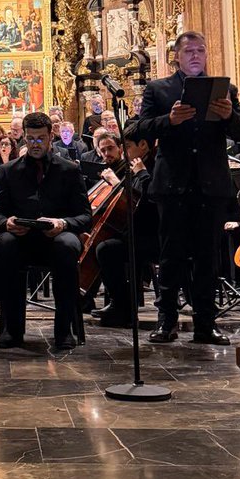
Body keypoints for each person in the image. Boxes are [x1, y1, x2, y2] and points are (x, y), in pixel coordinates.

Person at [137, 30, 240, 345]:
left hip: (210, 184)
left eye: (201, 50)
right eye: (189, 51)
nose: (196, 55)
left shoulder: (225, 90)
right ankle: (166, 321)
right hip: (173, 183)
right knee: (171, 255)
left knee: (207, 257)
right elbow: (139, 128)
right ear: (177, 56)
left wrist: (230, 117)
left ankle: (205, 325)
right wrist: (168, 121)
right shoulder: (158, 90)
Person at [0, 111, 92, 349]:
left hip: (57, 238)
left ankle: (64, 330)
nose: (35, 144)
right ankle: (11, 330)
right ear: (24, 138)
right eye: (31, 139)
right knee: (3, 244)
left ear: (50, 137)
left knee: (67, 245)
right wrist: (7, 223)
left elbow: (86, 216)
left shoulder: (69, 170)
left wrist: (62, 224)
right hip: (22, 239)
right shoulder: (8, 171)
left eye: (41, 139)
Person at [94, 121, 160, 328]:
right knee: (105, 247)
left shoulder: (155, 165)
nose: (125, 152)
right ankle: (120, 305)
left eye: (127, 147)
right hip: (138, 232)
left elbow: (148, 201)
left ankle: (122, 306)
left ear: (143, 145)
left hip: (156, 236)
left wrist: (141, 173)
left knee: (107, 249)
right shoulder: (135, 166)